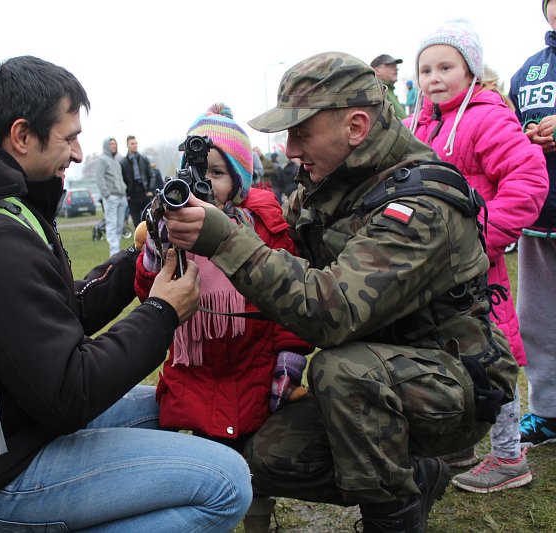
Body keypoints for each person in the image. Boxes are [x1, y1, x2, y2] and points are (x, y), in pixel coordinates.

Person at [163, 52, 518, 532]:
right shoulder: (332, 185)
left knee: (342, 370)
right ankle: (413, 475)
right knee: (265, 456)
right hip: (381, 371)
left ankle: (392, 519)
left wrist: (225, 238)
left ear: (355, 126)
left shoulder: (419, 205)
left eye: (301, 133)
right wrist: (223, 214)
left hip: (454, 378)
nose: (289, 149)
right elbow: (278, 236)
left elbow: (332, 312)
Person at [0, 55, 252, 531]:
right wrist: (162, 312)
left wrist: (138, 255)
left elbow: (57, 314)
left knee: (173, 402)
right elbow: (70, 391)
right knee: (227, 484)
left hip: (14, 428)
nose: (80, 153)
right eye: (69, 137)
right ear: (22, 136)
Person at [134, 103, 313, 532]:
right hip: (197, 369)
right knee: (207, 461)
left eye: (217, 172)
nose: (206, 182)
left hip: (253, 364)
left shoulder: (264, 227)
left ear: (239, 178)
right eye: (196, 172)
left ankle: (258, 520)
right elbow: (148, 297)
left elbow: (288, 297)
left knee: (256, 462)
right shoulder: (174, 228)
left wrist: (290, 355)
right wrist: (155, 253)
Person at [406, 19, 548, 493]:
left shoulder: (488, 117)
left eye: (446, 66)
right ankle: (457, 441)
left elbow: (528, 179)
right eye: (425, 69)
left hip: (476, 271)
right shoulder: (416, 124)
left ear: (470, 69)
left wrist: (481, 238)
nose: (434, 77)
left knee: (493, 356)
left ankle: (509, 456)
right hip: (431, 270)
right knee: (444, 355)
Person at [509, 0, 556, 450]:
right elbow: (509, 127)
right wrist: (527, 133)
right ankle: (548, 412)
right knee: (537, 322)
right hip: (542, 216)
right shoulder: (529, 71)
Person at [94, 137, 128, 255]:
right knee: (111, 225)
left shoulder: (116, 160)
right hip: (111, 197)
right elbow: (99, 178)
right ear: (106, 146)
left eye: (115, 144)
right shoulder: (102, 160)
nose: (114, 146)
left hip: (121, 196)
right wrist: (107, 195)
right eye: (111, 144)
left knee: (119, 225)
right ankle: (114, 253)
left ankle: (117, 250)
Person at [119, 135, 153, 225]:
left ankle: (150, 239)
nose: (135, 145)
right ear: (127, 145)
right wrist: (126, 194)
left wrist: (150, 190)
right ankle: (139, 238)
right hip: (132, 195)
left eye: (136, 143)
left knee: (149, 220)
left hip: (144, 192)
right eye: (132, 143)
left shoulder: (144, 159)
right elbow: (121, 179)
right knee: (136, 222)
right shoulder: (123, 162)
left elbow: (151, 175)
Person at [371, 53, 408, 118]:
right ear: (377, 71)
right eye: (391, 66)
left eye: (396, 67)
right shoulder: (377, 91)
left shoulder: (388, 91)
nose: (396, 69)